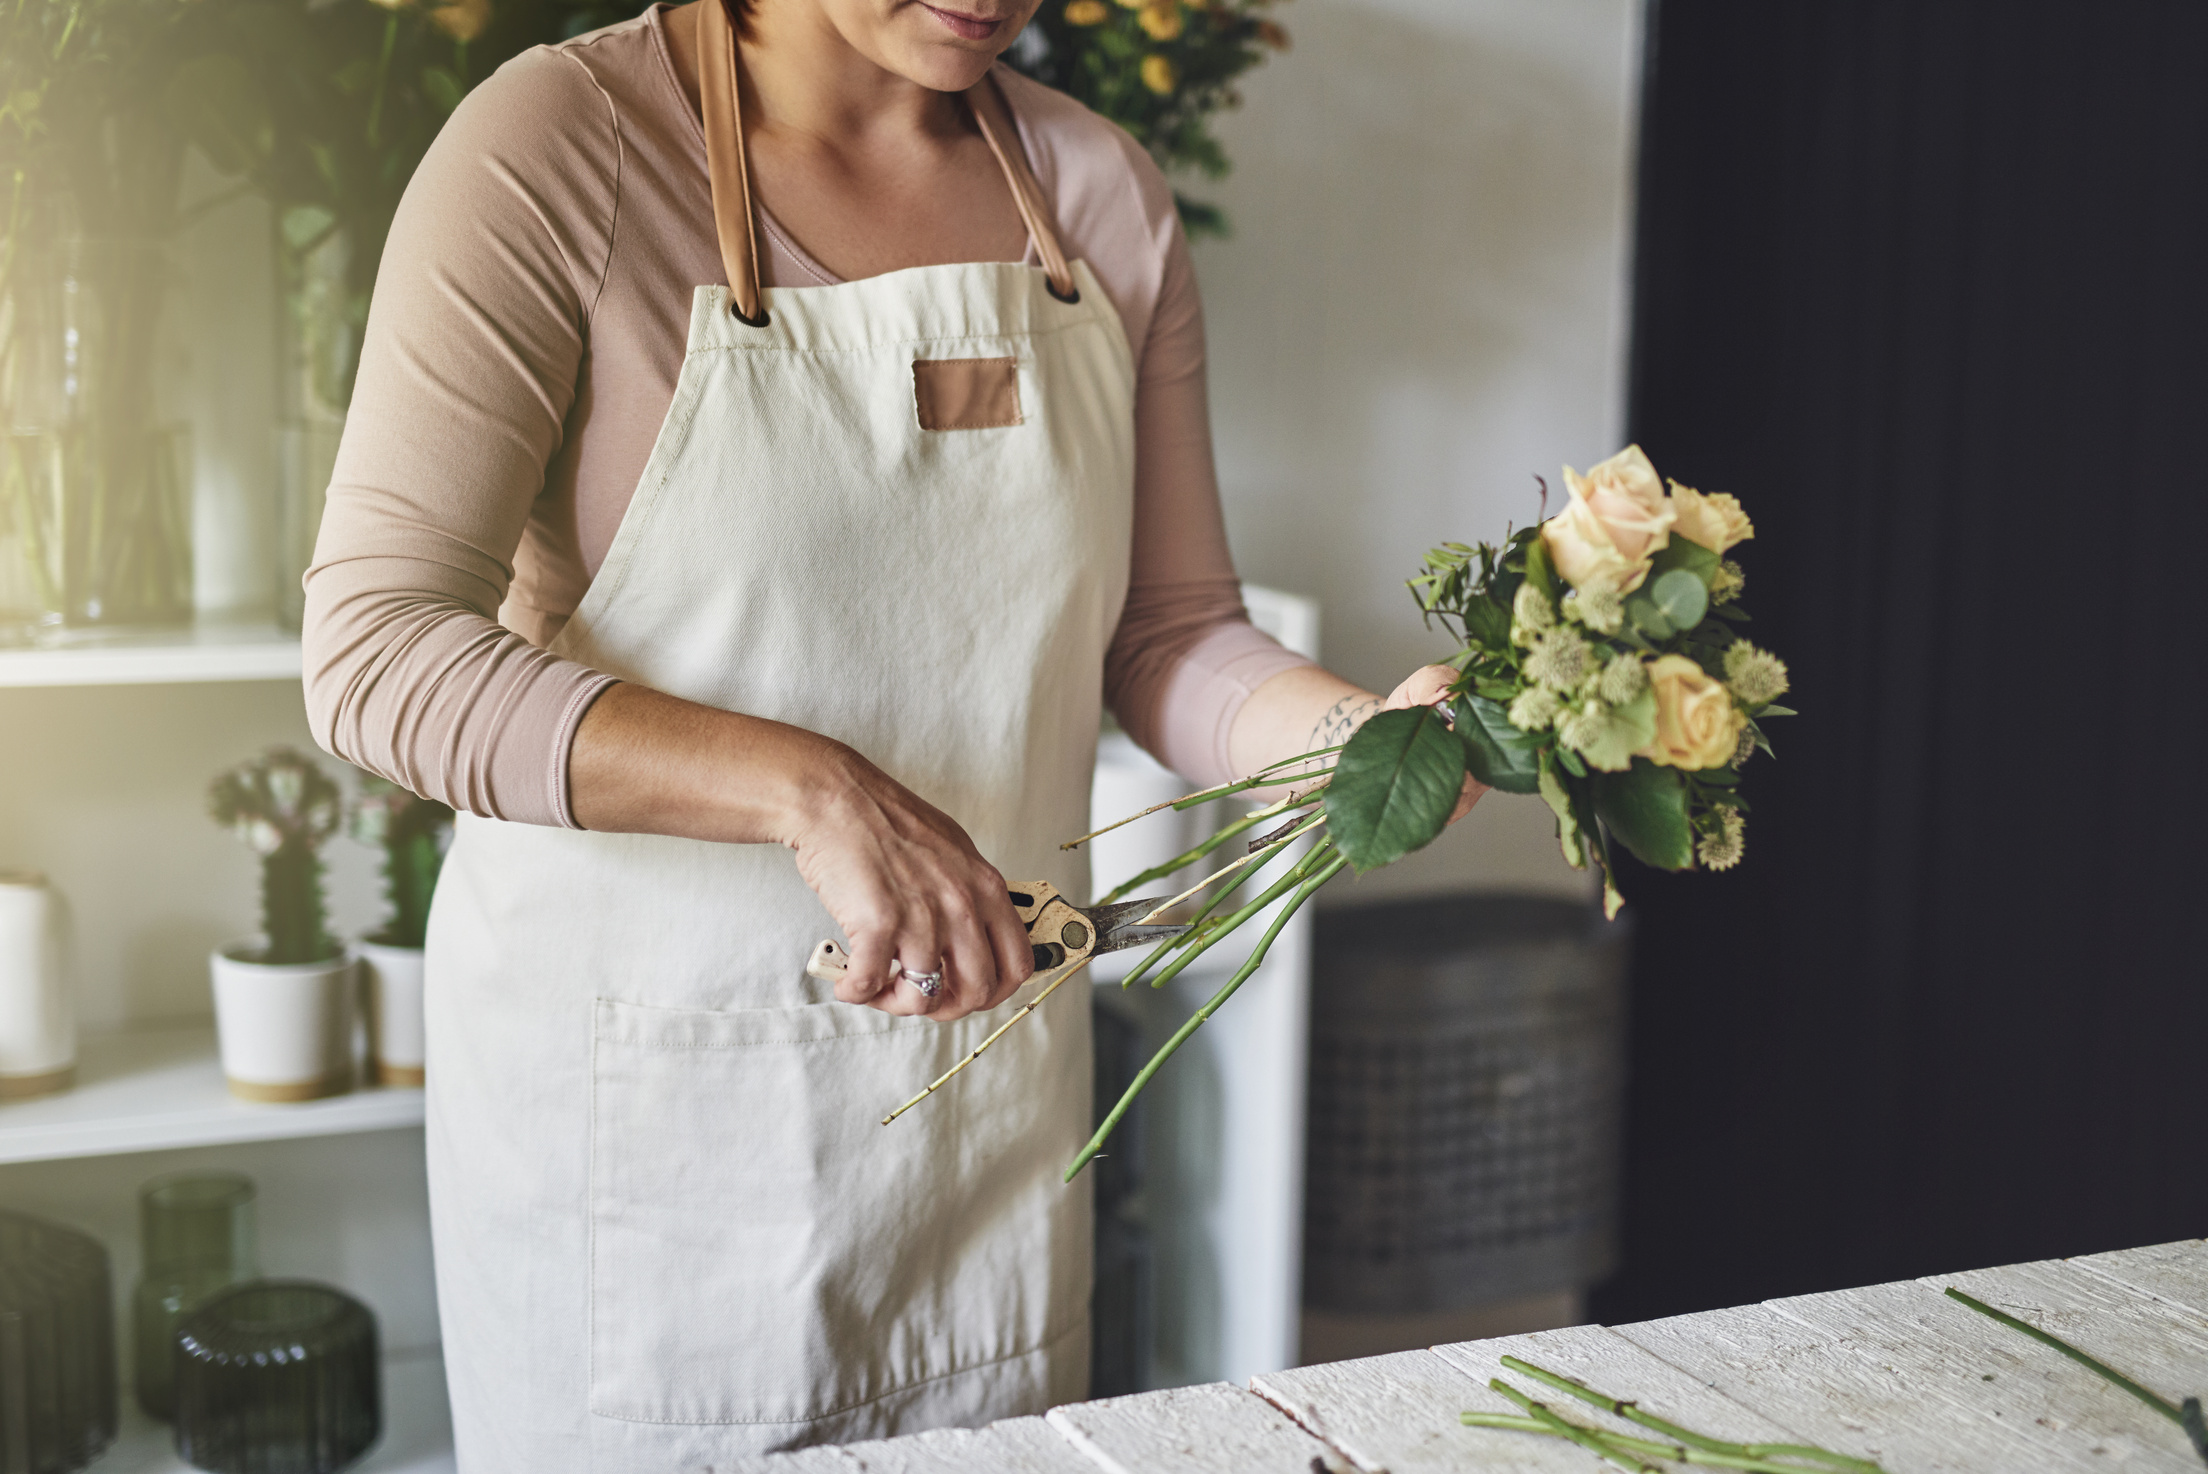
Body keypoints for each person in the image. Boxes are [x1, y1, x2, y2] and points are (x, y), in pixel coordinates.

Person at [302, 0, 1481, 1463]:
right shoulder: (561, 146)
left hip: (979, 1146)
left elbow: (1166, 634)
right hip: (649, 1168)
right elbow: (377, 651)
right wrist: (813, 793)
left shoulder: (1099, 194)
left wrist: (1359, 739)